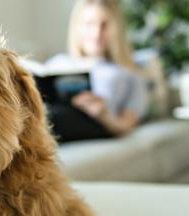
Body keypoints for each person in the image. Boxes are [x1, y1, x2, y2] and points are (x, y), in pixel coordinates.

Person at [45, 0, 148, 143]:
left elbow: (126, 125)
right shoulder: (57, 62)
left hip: (94, 122)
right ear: (77, 27)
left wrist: (104, 115)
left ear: (116, 29)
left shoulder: (128, 72)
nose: (96, 33)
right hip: (49, 112)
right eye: (89, 24)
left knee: (47, 117)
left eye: (104, 25)